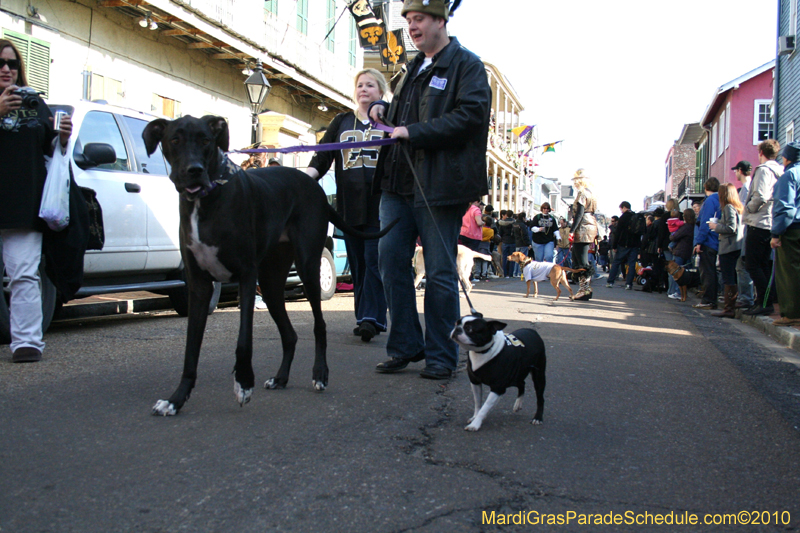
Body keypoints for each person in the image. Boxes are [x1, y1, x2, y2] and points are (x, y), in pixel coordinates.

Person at [367, 0, 491, 379]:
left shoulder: (466, 65)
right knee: (390, 263)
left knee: (438, 272)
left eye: (418, 19)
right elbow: (406, 115)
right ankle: (405, 345)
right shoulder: (412, 68)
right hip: (397, 184)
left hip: (439, 186)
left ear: (441, 20)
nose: (411, 27)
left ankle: (441, 355)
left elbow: (470, 116)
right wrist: (382, 111)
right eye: (407, 21)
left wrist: (413, 132)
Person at [0, 39, 73, 362]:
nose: (6, 69)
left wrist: (63, 137)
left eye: (12, 64)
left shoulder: (34, 103)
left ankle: (27, 341)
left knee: (24, 273)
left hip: (22, 203)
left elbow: (49, 151)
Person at [306, 68, 389, 342]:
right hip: (349, 206)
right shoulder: (341, 121)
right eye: (360, 85)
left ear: (381, 91)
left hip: (381, 203)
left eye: (370, 85)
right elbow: (322, 156)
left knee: (373, 259)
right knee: (358, 263)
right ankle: (365, 317)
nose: (364, 89)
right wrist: (304, 181)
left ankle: (370, 318)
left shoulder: (389, 120)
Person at [743, 140, 783, 316]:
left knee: (752, 263)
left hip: (759, 222)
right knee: (764, 264)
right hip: (771, 222)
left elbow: (760, 196)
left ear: (761, 152)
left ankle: (764, 302)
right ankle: (764, 300)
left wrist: (749, 209)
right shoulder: (780, 171)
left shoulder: (764, 170)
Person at [769, 142, 800, 326]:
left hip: (793, 228)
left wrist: (776, 233)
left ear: (787, 158)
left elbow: (785, 208)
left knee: (788, 272)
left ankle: (791, 312)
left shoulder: (789, 175)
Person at [709, 183, 744, 318]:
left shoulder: (729, 208)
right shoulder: (737, 207)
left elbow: (731, 228)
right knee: (731, 277)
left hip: (728, 246)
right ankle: (730, 306)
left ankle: (729, 308)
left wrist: (716, 226)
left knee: (728, 277)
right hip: (735, 245)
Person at [569, 169, 599, 300]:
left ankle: (585, 289)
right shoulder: (590, 193)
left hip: (583, 226)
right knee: (579, 258)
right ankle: (584, 289)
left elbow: (579, 213)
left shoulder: (582, 193)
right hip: (589, 224)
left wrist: (572, 230)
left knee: (581, 260)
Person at [692, 178, 721, 310]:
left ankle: (708, 299)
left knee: (707, 272)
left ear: (706, 187)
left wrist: (699, 241)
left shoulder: (709, 201)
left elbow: (705, 222)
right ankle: (711, 298)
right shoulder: (720, 199)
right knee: (712, 271)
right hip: (717, 239)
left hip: (709, 240)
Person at [732, 161, 754, 309]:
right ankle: (746, 297)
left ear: (740, 170)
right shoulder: (750, 186)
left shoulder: (746, 188)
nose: (735, 173)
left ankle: (746, 298)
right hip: (749, 230)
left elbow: (742, 211)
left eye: (736, 171)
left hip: (746, 231)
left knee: (742, 265)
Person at [606, 201, 639, 290]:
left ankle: (610, 281)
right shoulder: (636, 216)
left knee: (616, 262)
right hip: (635, 244)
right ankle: (629, 284)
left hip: (623, 244)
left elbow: (618, 233)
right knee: (631, 264)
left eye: (621, 209)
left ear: (624, 207)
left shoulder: (623, 217)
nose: (621, 211)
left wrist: (614, 245)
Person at [668, 208, 695, 299]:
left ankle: (676, 292)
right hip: (688, 252)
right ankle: (682, 293)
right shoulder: (693, 226)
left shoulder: (686, 227)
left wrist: (671, 236)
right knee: (684, 274)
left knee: (676, 273)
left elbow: (674, 237)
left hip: (680, 251)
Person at [498, 210, 517, 277]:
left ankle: (504, 273)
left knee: (504, 257)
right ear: (512, 215)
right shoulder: (514, 223)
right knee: (512, 258)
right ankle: (511, 273)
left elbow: (500, 233)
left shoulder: (502, 223)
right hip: (512, 241)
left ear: (506, 214)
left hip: (505, 241)